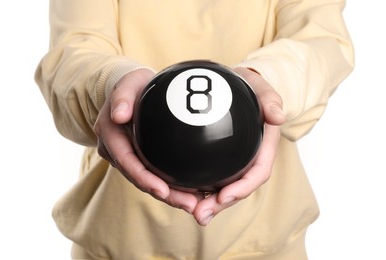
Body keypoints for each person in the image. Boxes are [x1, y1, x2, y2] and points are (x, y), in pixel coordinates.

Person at [35, 0, 354, 259]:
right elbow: (71, 55)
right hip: (118, 247)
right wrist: (112, 85)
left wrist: (267, 83)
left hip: (268, 247)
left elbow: (324, 45)